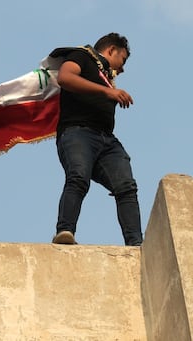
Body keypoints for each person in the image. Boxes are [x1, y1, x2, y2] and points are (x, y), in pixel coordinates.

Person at [52, 32, 142, 246]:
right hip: (78, 132)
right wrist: (107, 92)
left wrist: (109, 90)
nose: (123, 68)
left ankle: (136, 244)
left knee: (126, 187)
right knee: (78, 177)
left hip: (107, 141)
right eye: (123, 59)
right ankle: (65, 232)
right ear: (111, 50)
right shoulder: (82, 56)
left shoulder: (107, 77)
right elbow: (65, 77)